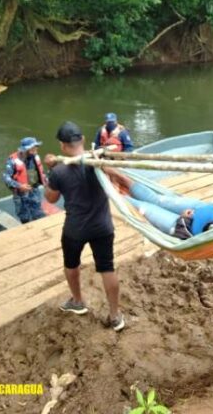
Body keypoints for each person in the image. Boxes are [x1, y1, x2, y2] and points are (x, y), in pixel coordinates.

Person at [43, 121, 126, 332]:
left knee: (71, 265)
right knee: (107, 267)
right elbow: (117, 175)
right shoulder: (99, 160)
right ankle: (115, 316)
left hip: (75, 228)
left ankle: (78, 301)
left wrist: (50, 174)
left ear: (62, 146)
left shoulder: (59, 172)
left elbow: (51, 199)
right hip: (103, 226)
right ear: (83, 140)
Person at [113, 173, 213, 239]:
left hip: (182, 225)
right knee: (157, 199)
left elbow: (202, 239)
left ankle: (113, 192)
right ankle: (118, 175)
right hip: (199, 207)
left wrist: (185, 218)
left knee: (143, 208)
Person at [3, 137, 47, 223]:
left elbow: (41, 172)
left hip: (34, 190)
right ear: (25, 150)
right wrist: (19, 186)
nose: (36, 151)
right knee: (25, 217)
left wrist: (46, 181)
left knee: (38, 214)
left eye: (36, 148)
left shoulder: (35, 157)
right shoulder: (12, 161)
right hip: (21, 194)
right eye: (33, 149)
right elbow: (6, 178)